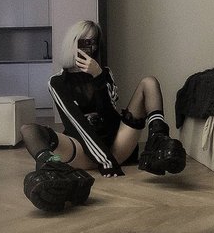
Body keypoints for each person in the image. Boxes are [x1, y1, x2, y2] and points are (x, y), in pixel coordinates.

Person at [21, 20, 186, 211]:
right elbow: (76, 125)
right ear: (72, 43)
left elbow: (110, 118)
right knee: (29, 129)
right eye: (84, 42)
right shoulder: (57, 82)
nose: (90, 47)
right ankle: (53, 168)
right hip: (82, 150)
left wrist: (98, 77)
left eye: (94, 42)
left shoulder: (104, 73)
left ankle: (158, 140)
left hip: (116, 145)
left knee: (149, 82)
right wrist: (105, 160)